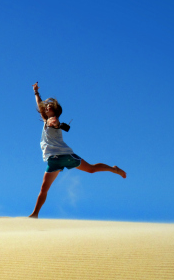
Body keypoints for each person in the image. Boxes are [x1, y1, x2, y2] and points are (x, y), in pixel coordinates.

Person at [29, 82, 126, 218]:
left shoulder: (53, 119)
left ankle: (114, 169)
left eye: (50, 107)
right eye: (46, 107)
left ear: (55, 111)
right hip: (53, 160)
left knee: (91, 169)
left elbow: (55, 122)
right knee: (44, 189)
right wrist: (36, 92)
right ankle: (35, 214)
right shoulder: (46, 119)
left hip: (65, 155)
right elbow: (40, 104)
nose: (46, 107)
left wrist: (55, 123)